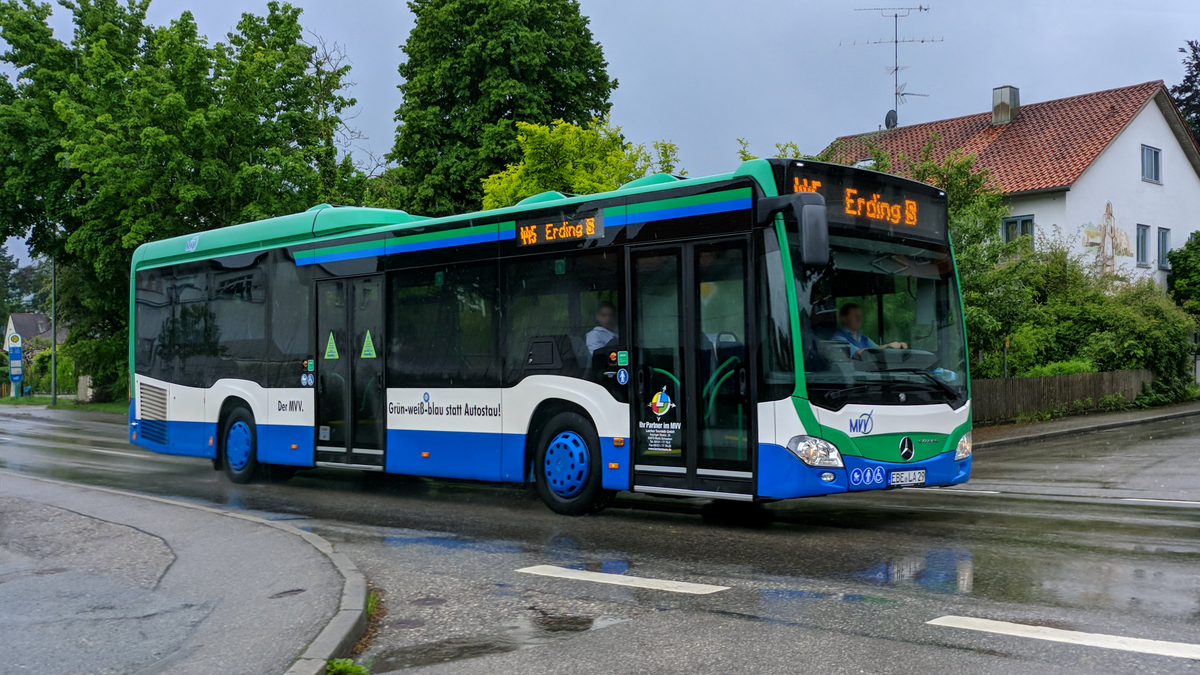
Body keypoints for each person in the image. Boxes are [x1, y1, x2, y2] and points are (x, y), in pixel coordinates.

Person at [833, 303, 907, 358]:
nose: (859, 319)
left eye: (860, 316)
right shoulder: (837, 338)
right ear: (843, 318)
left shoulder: (863, 337)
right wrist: (887, 346)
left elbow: (877, 350)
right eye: (855, 316)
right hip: (849, 377)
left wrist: (898, 346)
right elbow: (858, 354)